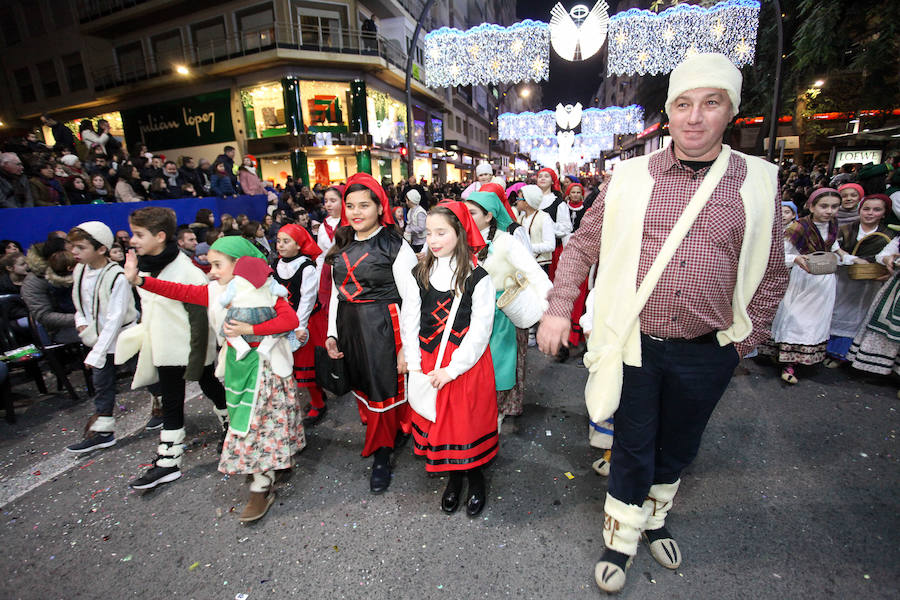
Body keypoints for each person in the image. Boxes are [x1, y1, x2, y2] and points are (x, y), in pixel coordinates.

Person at [537, 53, 788, 594]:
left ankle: (654, 517)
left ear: (730, 113)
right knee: (632, 440)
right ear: (669, 114)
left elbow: (772, 270)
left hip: (709, 348)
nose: (695, 117)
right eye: (683, 104)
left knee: (678, 445)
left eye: (710, 103)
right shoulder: (629, 176)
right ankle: (620, 536)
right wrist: (559, 307)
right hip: (637, 342)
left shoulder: (759, 182)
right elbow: (582, 244)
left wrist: (744, 342)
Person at [124, 237, 304, 522]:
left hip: (267, 369)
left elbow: (290, 321)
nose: (212, 271)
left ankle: (261, 485)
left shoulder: (269, 290)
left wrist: (251, 327)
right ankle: (271, 464)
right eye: (211, 265)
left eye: (218, 265)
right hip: (236, 368)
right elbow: (178, 291)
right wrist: (140, 281)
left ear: (240, 263)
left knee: (258, 424)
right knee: (252, 424)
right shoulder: (214, 292)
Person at [116, 207, 228, 490]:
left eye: (140, 234)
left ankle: (230, 426)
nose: (134, 240)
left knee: (211, 387)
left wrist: (198, 356)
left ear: (160, 236)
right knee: (172, 400)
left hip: (190, 346)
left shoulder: (187, 272)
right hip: (163, 346)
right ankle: (169, 462)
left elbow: (200, 318)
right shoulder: (141, 265)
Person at [323, 173, 419, 494]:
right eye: (350, 205)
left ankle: (382, 453)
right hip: (350, 325)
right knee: (363, 384)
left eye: (364, 205)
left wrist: (406, 346)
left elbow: (412, 298)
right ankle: (393, 431)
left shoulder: (395, 246)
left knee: (382, 389)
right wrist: (331, 334)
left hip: (382, 326)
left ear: (380, 207)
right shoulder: (342, 240)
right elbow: (338, 293)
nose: (356, 212)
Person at [409, 202, 498, 516]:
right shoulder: (421, 270)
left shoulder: (479, 277)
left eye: (441, 232)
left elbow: (480, 330)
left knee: (466, 423)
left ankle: (476, 480)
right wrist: (411, 356)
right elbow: (412, 316)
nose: (432, 239)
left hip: (464, 364)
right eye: (429, 232)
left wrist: (453, 368)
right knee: (442, 422)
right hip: (429, 356)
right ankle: (454, 477)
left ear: (460, 233)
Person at [465, 191, 551, 425]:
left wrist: (550, 312)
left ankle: (497, 415)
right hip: (470, 315)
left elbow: (534, 273)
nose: (466, 217)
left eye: (471, 213)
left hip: (502, 314)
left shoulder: (505, 242)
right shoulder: (460, 239)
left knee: (501, 366)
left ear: (489, 216)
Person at [760, 189, 853, 383]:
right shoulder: (798, 228)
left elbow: (833, 246)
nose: (829, 211)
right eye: (824, 206)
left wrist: (847, 257)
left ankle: (802, 359)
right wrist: (796, 259)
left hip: (825, 280)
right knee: (795, 320)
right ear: (811, 206)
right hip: (802, 279)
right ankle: (788, 363)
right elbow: (777, 255)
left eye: (834, 206)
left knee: (815, 321)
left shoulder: (834, 225)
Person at [64, 223, 138, 453]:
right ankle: (103, 429)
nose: (74, 252)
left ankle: (163, 407)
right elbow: (81, 304)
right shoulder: (80, 270)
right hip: (98, 337)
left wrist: (96, 351)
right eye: (73, 247)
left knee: (145, 373)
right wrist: (81, 322)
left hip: (122, 335)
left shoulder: (117, 276)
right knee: (102, 383)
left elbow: (115, 318)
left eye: (81, 247)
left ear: (101, 249)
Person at [825, 194, 894, 366]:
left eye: (877, 210)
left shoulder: (889, 235)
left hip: (869, 282)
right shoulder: (846, 228)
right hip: (843, 278)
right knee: (835, 312)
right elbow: (833, 250)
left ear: (884, 213)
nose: (870, 213)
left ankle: (841, 355)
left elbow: (887, 258)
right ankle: (825, 349)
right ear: (860, 210)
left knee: (856, 316)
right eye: (866, 209)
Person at [273, 224, 329, 426]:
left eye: (286, 241)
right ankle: (318, 396)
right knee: (294, 363)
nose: (280, 245)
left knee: (308, 366)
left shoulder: (307, 267)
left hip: (307, 322)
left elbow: (307, 298)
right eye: (278, 240)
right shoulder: (276, 263)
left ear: (299, 245)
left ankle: (318, 403)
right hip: (286, 322)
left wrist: (299, 326)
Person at [21, 236, 79, 344]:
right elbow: (44, 316)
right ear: (58, 255)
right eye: (71, 250)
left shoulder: (80, 268)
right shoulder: (34, 281)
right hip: (61, 329)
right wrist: (80, 319)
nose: (75, 252)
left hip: (87, 320)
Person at [535, 167, 572, 279]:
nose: (542, 179)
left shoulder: (558, 203)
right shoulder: (531, 201)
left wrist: (548, 226)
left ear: (552, 181)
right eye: (540, 176)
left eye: (546, 176)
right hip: (532, 249)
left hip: (552, 252)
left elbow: (566, 228)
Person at [517, 185, 555, 271]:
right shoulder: (520, 218)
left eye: (519, 199)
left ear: (527, 202)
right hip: (522, 265)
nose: (517, 202)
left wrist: (528, 247)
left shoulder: (544, 217)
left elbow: (550, 245)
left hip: (539, 266)